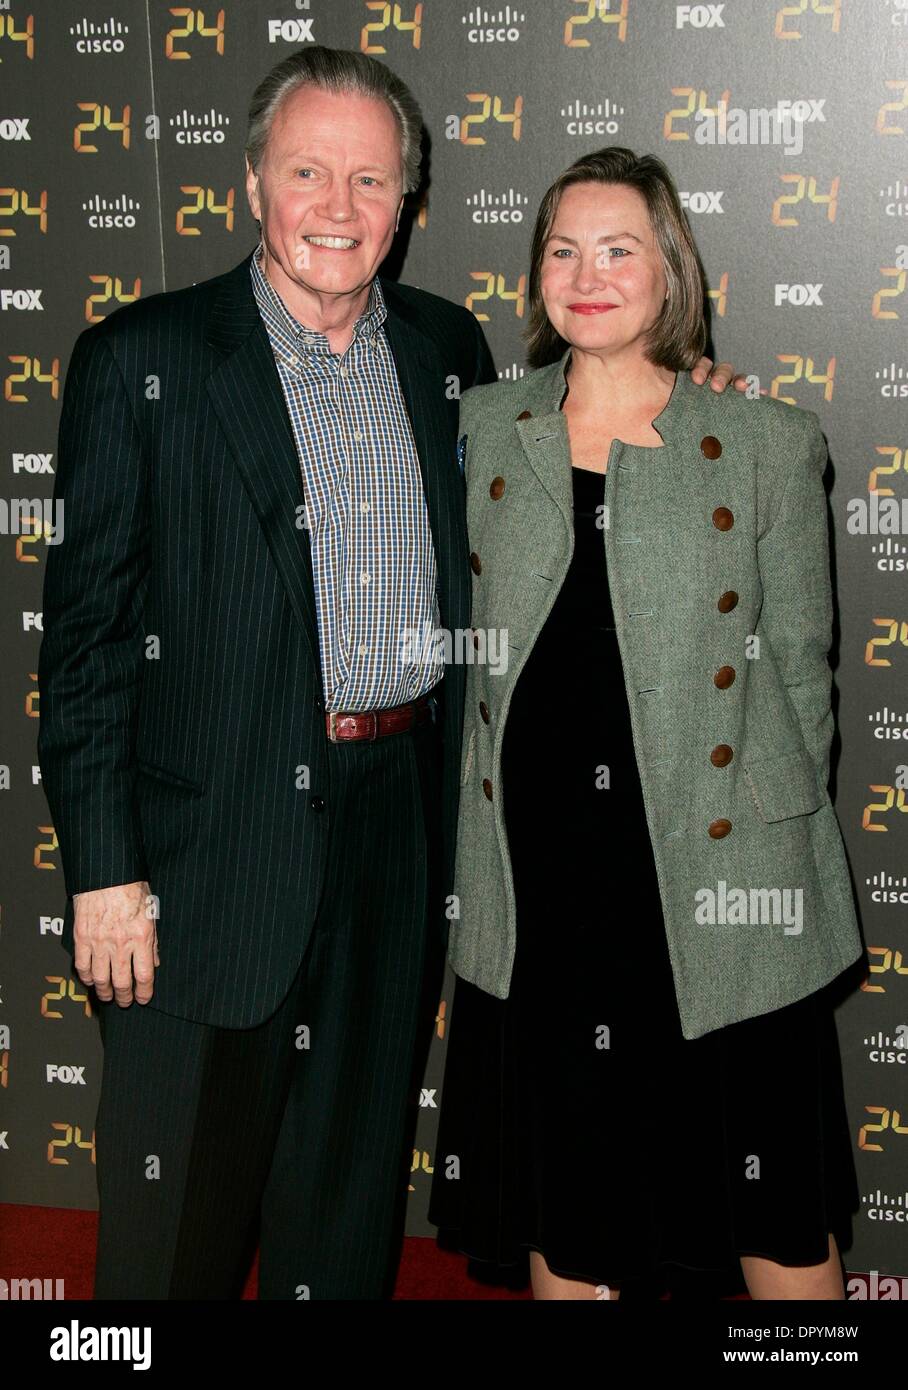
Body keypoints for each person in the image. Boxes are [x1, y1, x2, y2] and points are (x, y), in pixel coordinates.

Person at [38, 42, 746, 1299]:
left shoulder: (443, 351)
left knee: (344, 1214)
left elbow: (566, 467)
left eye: (370, 180)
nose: (337, 206)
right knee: (168, 1249)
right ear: (254, 182)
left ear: (406, 205)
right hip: (204, 866)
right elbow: (88, 650)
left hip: (396, 841)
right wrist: (103, 876)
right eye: (308, 170)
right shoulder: (139, 362)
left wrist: (690, 413)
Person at [428, 147, 866, 1302]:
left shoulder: (767, 440)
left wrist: (754, 848)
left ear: (670, 270)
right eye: (561, 250)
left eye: (618, 248)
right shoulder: (475, 431)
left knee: (775, 1218)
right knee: (567, 1212)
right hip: (544, 889)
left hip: (717, 885)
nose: (587, 273)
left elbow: (804, 685)